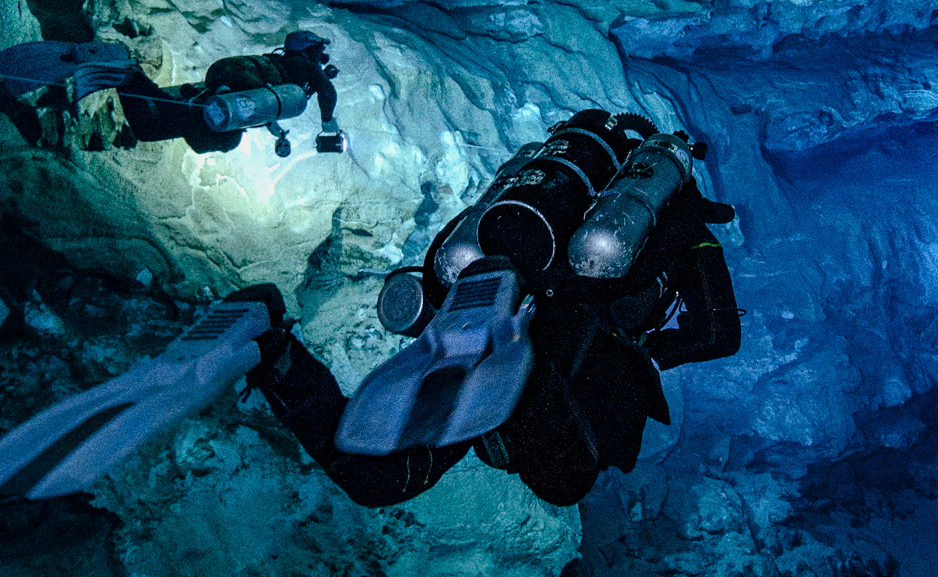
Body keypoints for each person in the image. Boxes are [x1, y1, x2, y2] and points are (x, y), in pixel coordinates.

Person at [233, 112, 740, 506]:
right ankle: (275, 355)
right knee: (562, 483)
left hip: (496, 311)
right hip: (559, 356)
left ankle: (271, 348)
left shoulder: (545, 197)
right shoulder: (682, 229)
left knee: (383, 475)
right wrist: (650, 347)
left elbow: (466, 241)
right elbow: (719, 335)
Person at [102, 30, 347, 156]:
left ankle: (126, 82)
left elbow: (265, 99)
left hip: (226, 82)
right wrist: (328, 120)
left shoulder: (279, 63)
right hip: (234, 93)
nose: (320, 56)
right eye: (317, 49)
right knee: (217, 136)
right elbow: (327, 90)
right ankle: (130, 76)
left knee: (147, 131)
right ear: (307, 47)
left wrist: (275, 128)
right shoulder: (304, 65)